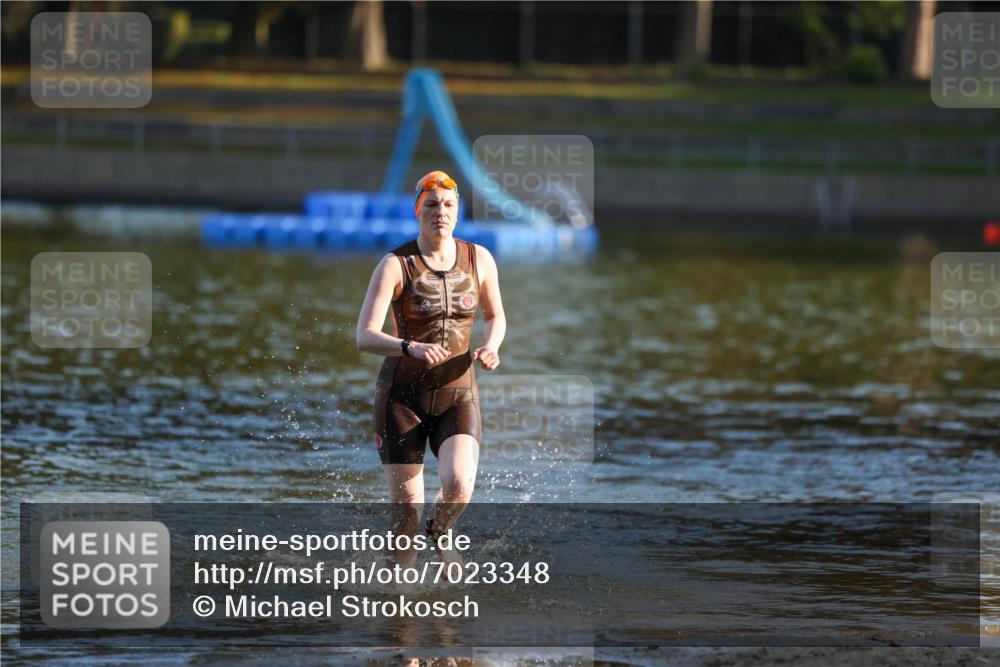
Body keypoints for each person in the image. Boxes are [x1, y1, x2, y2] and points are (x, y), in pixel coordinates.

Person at [356, 170, 505, 566]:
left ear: (458, 213)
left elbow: (495, 315)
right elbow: (365, 336)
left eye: (449, 205)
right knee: (407, 507)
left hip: (458, 394)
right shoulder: (395, 264)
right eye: (432, 205)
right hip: (402, 399)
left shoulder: (480, 259)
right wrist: (409, 347)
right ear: (417, 210)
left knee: (459, 485)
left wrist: (491, 346)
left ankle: (440, 531)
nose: (441, 212)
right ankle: (398, 596)